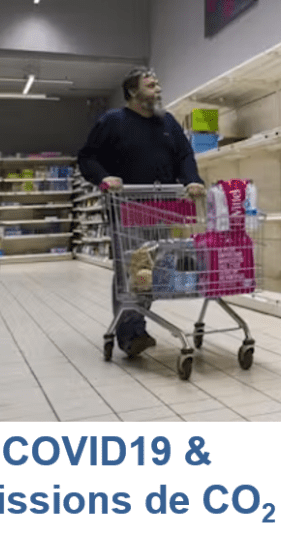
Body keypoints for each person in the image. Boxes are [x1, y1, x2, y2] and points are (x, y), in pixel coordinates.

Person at [77, 67, 205, 357]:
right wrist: (104, 177)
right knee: (132, 268)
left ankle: (137, 325)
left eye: (158, 84)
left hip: (164, 207)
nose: (158, 89)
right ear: (133, 91)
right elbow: (87, 157)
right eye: (150, 85)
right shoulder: (113, 121)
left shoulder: (167, 122)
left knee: (153, 269)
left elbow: (185, 155)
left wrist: (192, 179)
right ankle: (131, 333)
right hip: (128, 207)